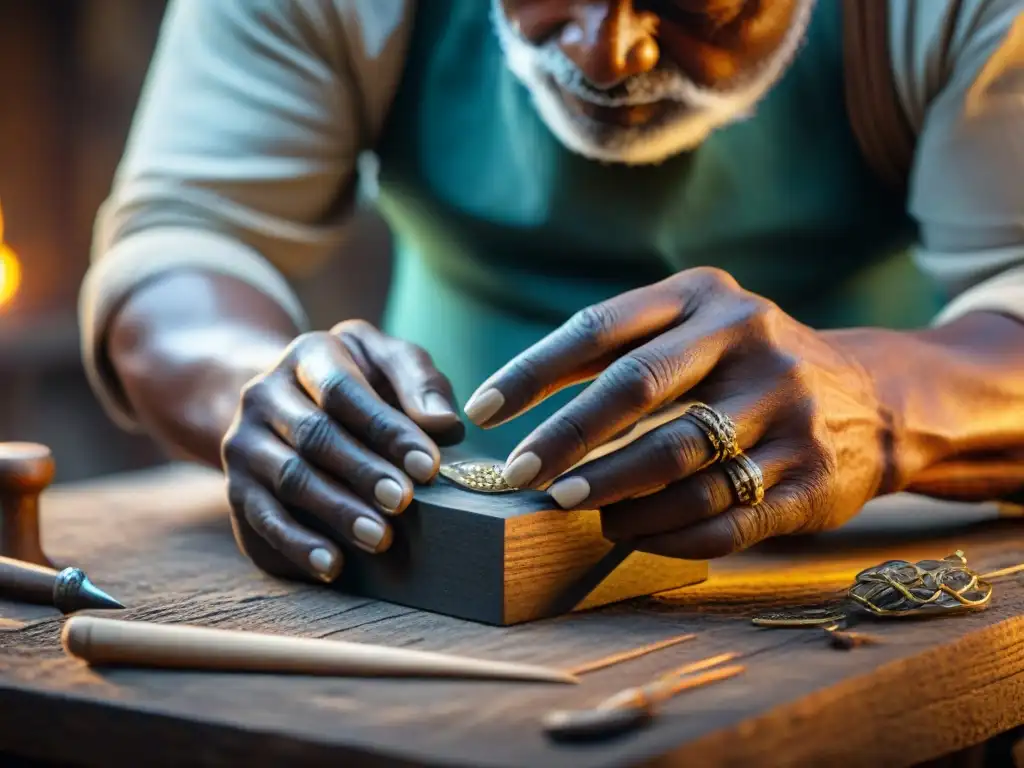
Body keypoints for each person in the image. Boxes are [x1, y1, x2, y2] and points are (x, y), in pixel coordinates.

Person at [80, 0, 1024, 586]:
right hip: (421, 552)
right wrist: (271, 397)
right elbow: (187, 235)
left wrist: (881, 399)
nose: (606, 50)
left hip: (850, 568)